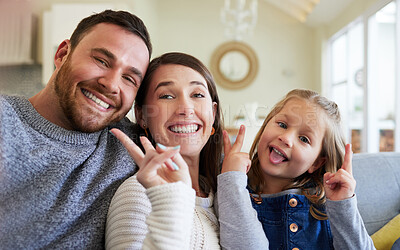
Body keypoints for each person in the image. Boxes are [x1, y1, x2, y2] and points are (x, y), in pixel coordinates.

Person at [0, 10, 151, 249]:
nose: (111, 84)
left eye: (129, 79)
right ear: (62, 54)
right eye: (101, 61)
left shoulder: (133, 145)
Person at [217, 89, 375, 249]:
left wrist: (343, 205)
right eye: (282, 125)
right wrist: (231, 179)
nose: (286, 138)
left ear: (317, 163)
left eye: (304, 139)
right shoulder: (233, 188)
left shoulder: (327, 206)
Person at [105, 52, 223, 249]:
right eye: (167, 96)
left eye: (197, 95)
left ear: (213, 112)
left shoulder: (220, 193)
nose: (186, 108)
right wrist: (168, 201)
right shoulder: (140, 193)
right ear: (142, 116)